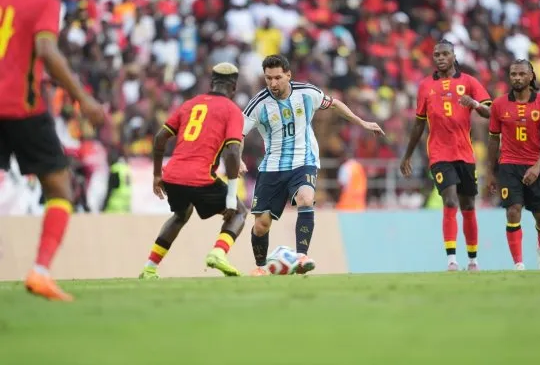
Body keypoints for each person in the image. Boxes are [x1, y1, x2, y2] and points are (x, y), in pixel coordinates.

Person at [0, 0, 105, 301]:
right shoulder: (45, 2)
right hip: (23, 108)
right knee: (59, 187)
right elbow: (46, 50)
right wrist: (83, 98)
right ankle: (40, 271)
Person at [242, 54, 384, 276]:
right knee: (261, 225)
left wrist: (362, 122)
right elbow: (238, 134)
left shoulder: (307, 93)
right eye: (268, 78)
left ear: (288, 75)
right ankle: (261, 267)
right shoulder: (258, 104)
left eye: (278, 77)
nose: (273, 83)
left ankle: (301, 257)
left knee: (306, 199)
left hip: (304, 160)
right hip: (272, 167)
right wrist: (238, 159)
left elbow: (334, 104)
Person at [139, 63, 248, 279]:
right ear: (234, 87)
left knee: (181, 214)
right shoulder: (232, 110)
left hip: (172, 175)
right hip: (200, 178)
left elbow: (160, 138)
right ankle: (218, 253)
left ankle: (149, 267)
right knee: (239, 212)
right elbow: (233, 152)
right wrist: (230, 198)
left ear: (211, 83)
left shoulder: (189, 104)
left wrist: (157, 175)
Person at [400, 39, 491, 271]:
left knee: (468, 206)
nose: (440, 58)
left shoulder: (469, 82)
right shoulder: (425, 86)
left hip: (465, 154)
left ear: (453, 56)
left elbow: (490, 112)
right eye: (436, 55)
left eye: (444, 54)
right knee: (450, 200)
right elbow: (419, 124)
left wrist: (475, 104)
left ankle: (473, 260)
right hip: (439, 154)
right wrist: (408, 155)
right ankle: (452, 259)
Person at [487, 59, 540, 270]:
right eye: (513, 74)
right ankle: (518, 264)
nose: (517, 78)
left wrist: (537, 166)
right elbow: (493, 139)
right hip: (509, 165)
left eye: (521, 74)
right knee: (513, 211)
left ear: (531, 76)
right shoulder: (499, 104)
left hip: (536, 166)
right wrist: (491, 172)